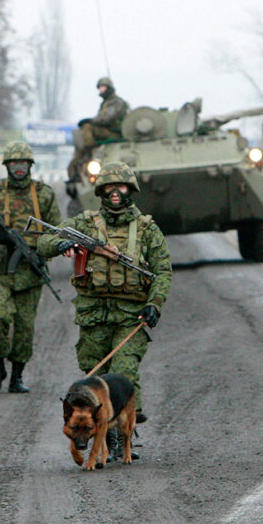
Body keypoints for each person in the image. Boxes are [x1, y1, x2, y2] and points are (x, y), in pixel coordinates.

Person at [40, 162, 171, 459]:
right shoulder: (85, 224)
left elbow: (163, 270)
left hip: (131, 314)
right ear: (100, 190)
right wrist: (63, 244)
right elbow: (45, 240)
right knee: (95, 375)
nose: (115, 192)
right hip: (94, 313)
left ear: (130, 190)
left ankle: (122, 437)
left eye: (121, 187)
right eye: (109, 187)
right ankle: (108, 436)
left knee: (123, 373)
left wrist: (155, 303)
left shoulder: (147, 229)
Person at [0, 141, 62, 394]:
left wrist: (43, 250)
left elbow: (57, 231)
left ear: (30, 165)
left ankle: (17, 376)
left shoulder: (44, 194)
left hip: (30, 274)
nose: (18, 168)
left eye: (23, 163)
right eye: (13, 164)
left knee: (24, 328)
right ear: (7, 166)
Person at [66, 76, 129, 196]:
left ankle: (89, 151)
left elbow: (107, 118)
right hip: (105, 131)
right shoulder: (105, 103)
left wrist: (91, 121)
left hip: (114, 133)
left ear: (109, 88)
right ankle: (79, 163)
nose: (101, 91)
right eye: (100, 88)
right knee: (80, 134)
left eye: (103, 88)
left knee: (87, 128)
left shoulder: (116, 102)